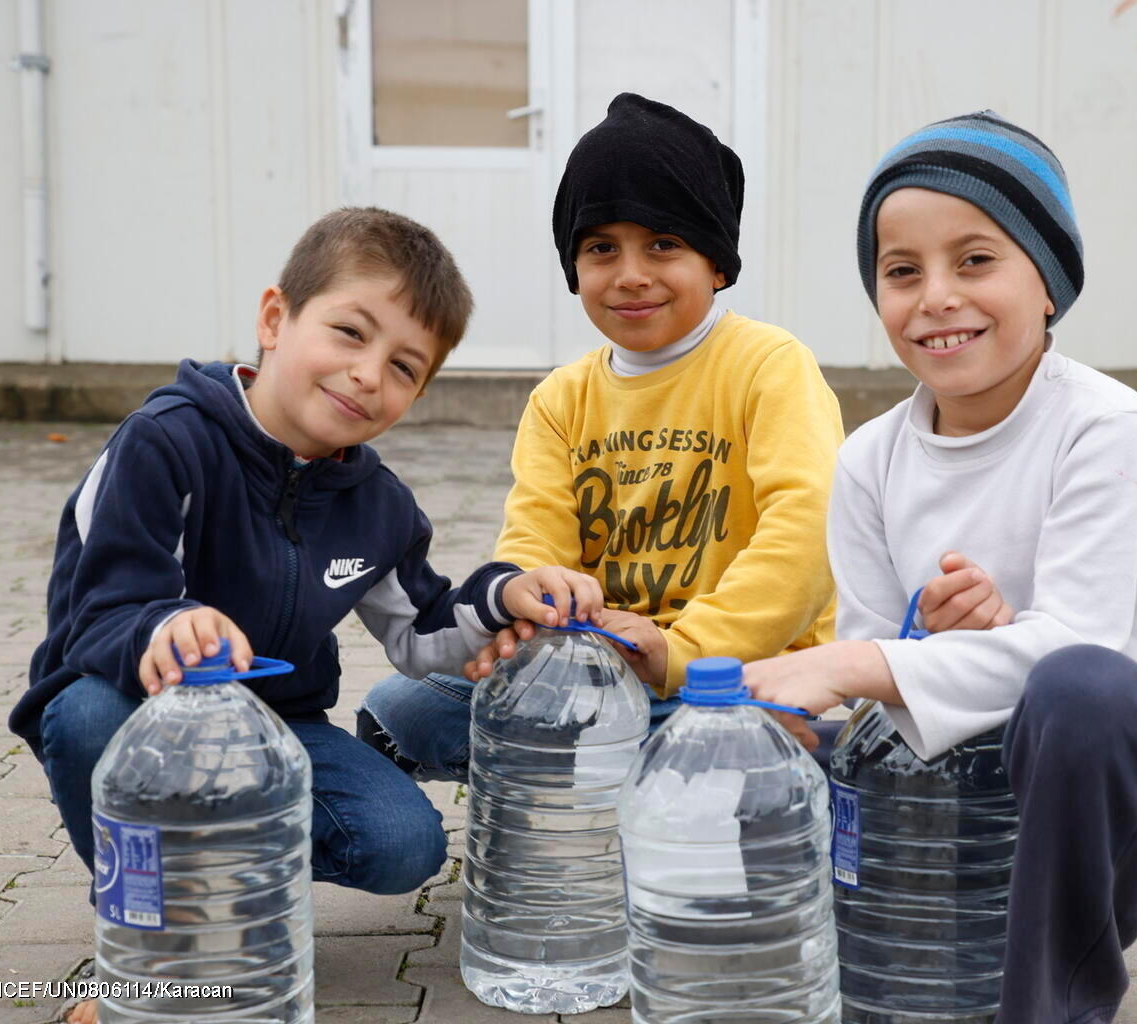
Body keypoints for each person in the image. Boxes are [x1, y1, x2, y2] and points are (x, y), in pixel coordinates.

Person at [6, 208, 600, 1024]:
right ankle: (154, 936)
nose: (367, 375)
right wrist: (162, 626)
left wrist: (505, 596)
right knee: (81, 717)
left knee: (403, 844)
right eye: (350, 333)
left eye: (404, 368)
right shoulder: (165, 443)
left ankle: (230, 879)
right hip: (133, 708)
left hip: (276, 727)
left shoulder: (375, 502)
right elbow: (100, 609)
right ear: (276, 318)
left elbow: (423, 631)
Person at [743, 111, 1137, 1024]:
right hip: (957, 770)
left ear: (1048, 283)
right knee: (768, 745)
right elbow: (872, 672)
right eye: (901, 271)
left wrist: (861, 663)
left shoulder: (1104, 429)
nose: (935, 296)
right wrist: (909, 643)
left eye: (975, 260)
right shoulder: (869, 460)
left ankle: (1051, 1001)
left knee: (1076, 686)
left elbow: (1083, 643)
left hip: (1135, 759)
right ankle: (854, 964)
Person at [356, 92, 845, 769]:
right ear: (574, 267)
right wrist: (526, 620)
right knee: (399, 713)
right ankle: (640, 774)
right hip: (595, 672)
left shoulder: (769, 366)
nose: (632, 276)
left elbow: (809, 529)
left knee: (709, 756)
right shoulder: (563, 397)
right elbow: (536, 541)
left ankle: (769, 765)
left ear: (717, 263)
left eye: (665, 245)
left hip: (734, 675)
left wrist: (682, 649)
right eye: (602, 248)